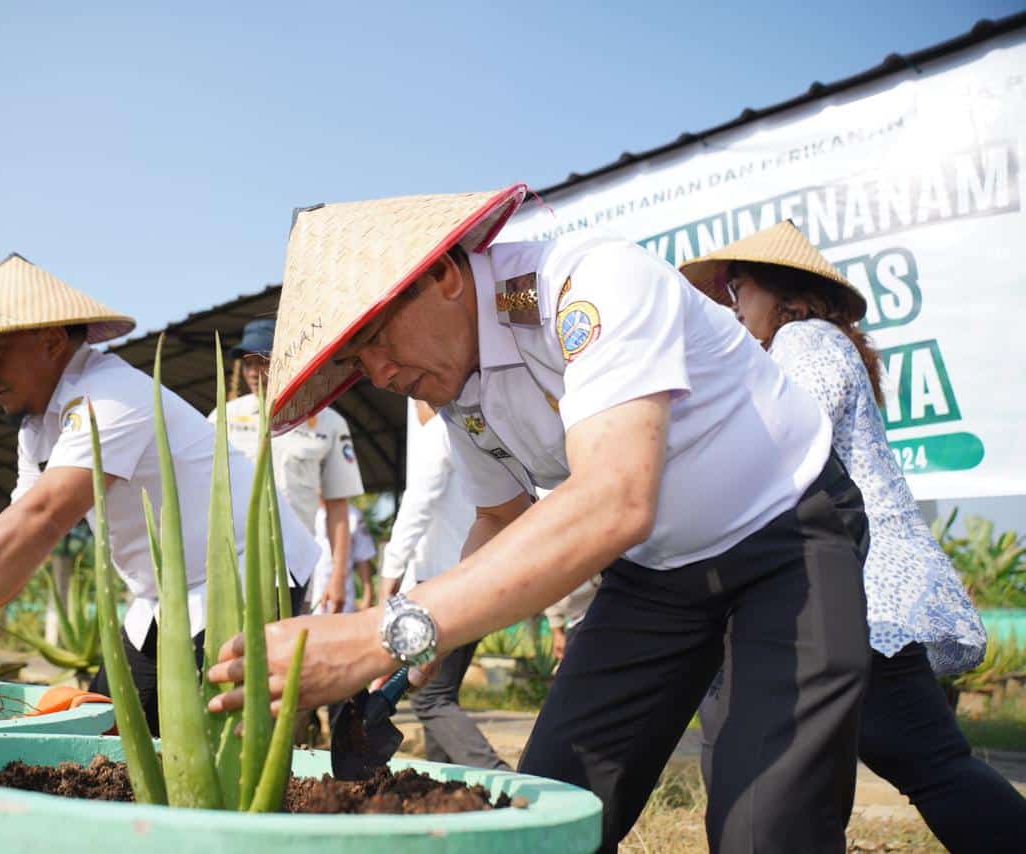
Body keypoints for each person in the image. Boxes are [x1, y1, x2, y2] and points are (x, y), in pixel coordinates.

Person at [207, 186, 873, 854]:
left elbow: (615, 498)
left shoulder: (585, 285)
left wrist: (379, 633)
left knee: (766, 832)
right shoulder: (457, 386)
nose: (378, 374)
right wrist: (415, 642)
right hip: (656, 578)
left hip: (787, 538)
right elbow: (500, 516)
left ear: (440, 275)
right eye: (355, 361)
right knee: (552, 814)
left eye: (375, 338)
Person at [0, 253, 319, 729]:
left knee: (187, 748)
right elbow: (18, 534)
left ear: (52, 341)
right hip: (166, 596)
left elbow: (43, 519)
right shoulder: (38, 427)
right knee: (107, 726)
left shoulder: (110, 395)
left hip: (245, 578)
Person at [680, 220, 1026, 853]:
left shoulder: (806, 342)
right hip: (841, 588)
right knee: (829, 772)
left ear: (779, 291)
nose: (733, 304)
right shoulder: (818, 343)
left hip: (858, 593)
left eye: (737, 287)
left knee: (932, 764)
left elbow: (782, 438)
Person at [378, 398, 508, 771]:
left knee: (429, 696)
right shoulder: (473, 426)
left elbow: (418, 503)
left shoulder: (439, 431)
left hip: (446, 583)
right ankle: (446, 782)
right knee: (442, 691)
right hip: (475, 575)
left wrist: (389, 574)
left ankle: (500, 778)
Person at [216, 318, 365, 614]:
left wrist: (337, 577)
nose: (254, 372)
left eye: (265, 361)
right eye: (248, 363)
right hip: (234, 564)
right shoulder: (224, 418)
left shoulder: (327, 422)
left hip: (295, 567)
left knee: (284, 653)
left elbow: (338, 507)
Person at [309, 501, 375, 613]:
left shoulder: (352, 514)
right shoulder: (307, 509)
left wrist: (367, 594)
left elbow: (363, 558)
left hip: (342, 597)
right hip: (308, 597)